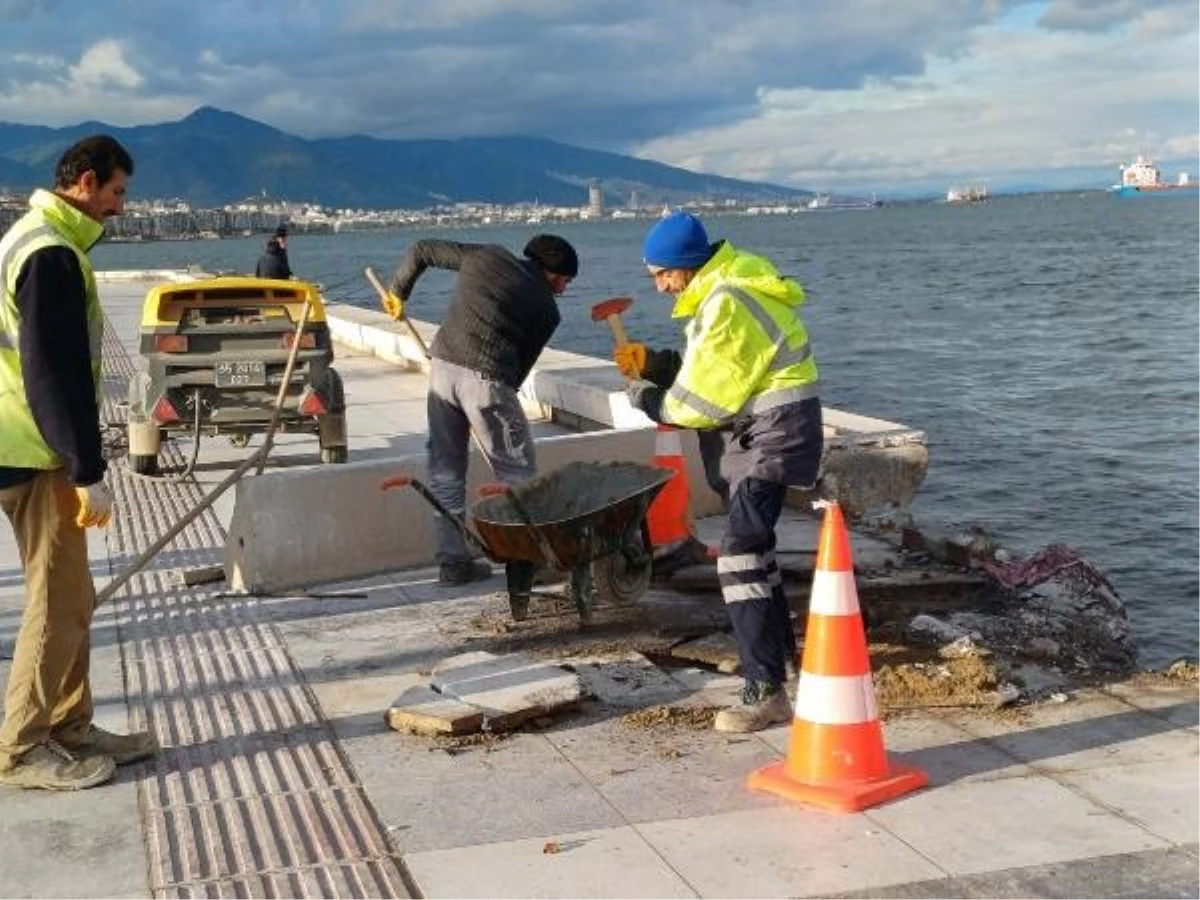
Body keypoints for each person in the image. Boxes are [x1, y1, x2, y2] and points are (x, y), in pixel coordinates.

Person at [617, 211, 823, 733]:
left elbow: (699, 404)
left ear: (686, 266)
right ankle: (782, 665)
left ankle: (765, 690)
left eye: (662, 274)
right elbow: (724, 370)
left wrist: (650, 398)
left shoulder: (724, 303)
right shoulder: (728, 288)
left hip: (772, 434)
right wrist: (661, 364)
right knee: (755, 553)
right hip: (771, 429)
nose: (660, 286)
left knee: (740, 556)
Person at [0, 134, 157, 791]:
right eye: (117, 192)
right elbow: (50, 374)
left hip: (26, 440)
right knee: (59, 601)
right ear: (86, 183)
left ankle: (72, 723)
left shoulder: (30, 235)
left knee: (74, 595)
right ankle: (22, 746)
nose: (121, 207)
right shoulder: (51, 254)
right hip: (35, 451)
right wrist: (84, 469)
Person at [383, 235, 579, 599]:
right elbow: (518, 371)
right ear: (552, 274)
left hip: (442, 369)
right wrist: (490, 406)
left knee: (445, 470)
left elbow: (422, 250)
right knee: (516, 471)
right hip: (488, 381)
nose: (564, 289)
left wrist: (398, 292)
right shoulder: (547, 311)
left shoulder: (486, 255)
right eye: (565, 281)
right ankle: (527, 564)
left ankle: (453, 563)